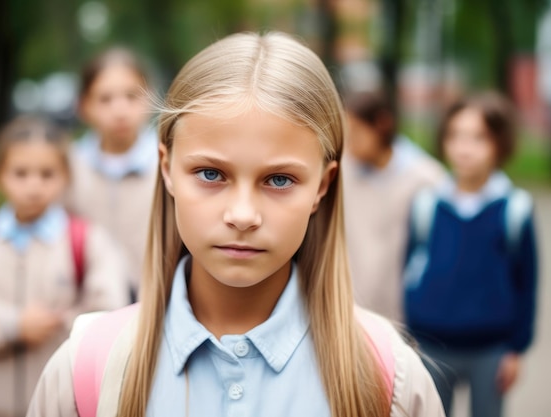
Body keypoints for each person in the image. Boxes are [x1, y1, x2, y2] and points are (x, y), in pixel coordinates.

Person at [28, 32, 445, 417]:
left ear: (323, 185)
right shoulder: (88, 369)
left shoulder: (389, 381)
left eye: (279, 180)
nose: (243, 215)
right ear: (167, 168)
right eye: (211, 174)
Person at [0, 116, 130, 417]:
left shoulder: (86, 241)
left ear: (65, 177)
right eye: (20, 173)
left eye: (47, 174)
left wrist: (56, 325)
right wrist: (12, 325)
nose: (34, 185)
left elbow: (110, 315)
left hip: (61, 408)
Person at [403, 92, 538, 417]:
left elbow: (527, 284)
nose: (464, 148)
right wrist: (411, 333)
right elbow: (410, 269)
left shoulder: (514, 209)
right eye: (455, 135)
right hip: (432, 345)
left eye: (479, 137)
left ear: (500, 144)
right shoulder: (427, 204)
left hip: (490, 349)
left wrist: (516, 349)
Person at [342, 91, 445, 320]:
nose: (349, 144)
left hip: (404, 316)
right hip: (349, 310)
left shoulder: (427, 179)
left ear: (382, 124)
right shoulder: (340, 172)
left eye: (356, 133)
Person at [66, 47, 158, 301]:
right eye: (105, 99)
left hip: (157, 303)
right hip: (89, 308)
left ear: (149, 99)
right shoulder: (68, 169)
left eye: (131, 96)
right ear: (84, 106)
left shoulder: (169, 164)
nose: (120, 110)